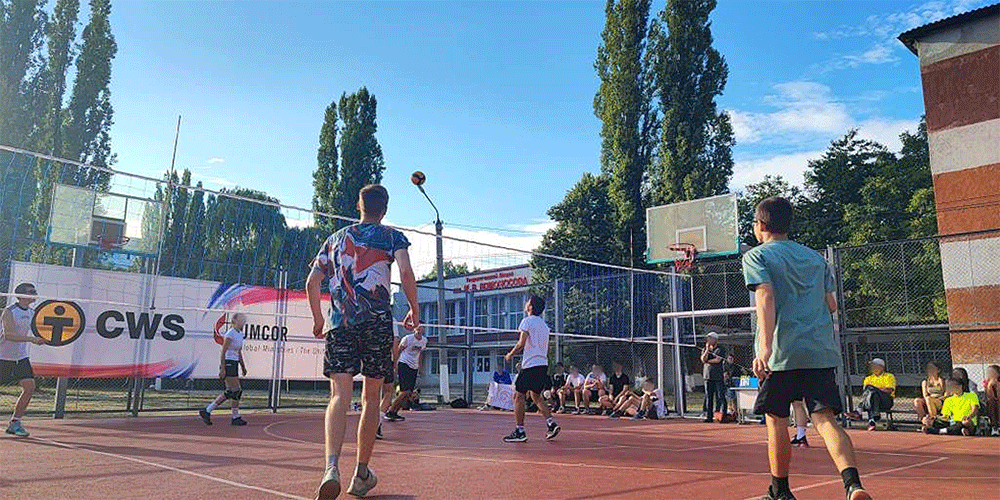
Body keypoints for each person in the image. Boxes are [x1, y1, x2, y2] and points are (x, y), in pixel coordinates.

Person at [744, 197, 871, 500]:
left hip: (782, 353)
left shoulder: (757, 256)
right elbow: (831, 305)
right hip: (818, 350)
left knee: (775, 418)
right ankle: (853, 484)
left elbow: (765, 296)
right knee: (825, 418)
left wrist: (764, 350)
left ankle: (780, 491)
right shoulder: (816, 259)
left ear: (760, 225)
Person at [307, 184, 419, 500]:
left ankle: (330, 468)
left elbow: (312, 282)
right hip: (377, 322)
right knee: (371, 397)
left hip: (340, 322)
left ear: (359, 205)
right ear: (384, 209)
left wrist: (318, 318)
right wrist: (414, 309)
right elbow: (407, 272)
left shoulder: (334, 240)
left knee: (339, 396)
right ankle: (361, 473)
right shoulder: (392, 237)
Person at [501, 296, 561, 443]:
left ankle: (520, 431)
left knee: (518, 396)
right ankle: (551, 423)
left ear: (531, 307)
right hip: (542, 364)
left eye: (527, 301)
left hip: (531, 365)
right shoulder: (544, 326)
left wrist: (510, 354)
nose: (525, 303)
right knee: (536, 396)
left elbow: (521, 343)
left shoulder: (527, 321)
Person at [2, 283, 45, 437]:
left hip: (21, 357)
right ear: (21, 295)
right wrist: (32, 339)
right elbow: (9, 335)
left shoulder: (33, 313)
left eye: (35, 290)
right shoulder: (9, 312)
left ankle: (15, 423)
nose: (34, 293)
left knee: (29, 387)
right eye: (31, 292)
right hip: (3, 357)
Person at [199, 312, 249, 426]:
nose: (243, 322)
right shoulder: (230, 333)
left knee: (231, 391)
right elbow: (223, 351)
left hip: (235, 363)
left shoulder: (240, 334)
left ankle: (207, 410)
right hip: (228, 363)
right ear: (235, 321)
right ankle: (235, 417)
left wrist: (243, 366)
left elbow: (239, 351)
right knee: (236, 390)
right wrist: (223, 368)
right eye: (241, 320)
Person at [385, 327, 426, 422]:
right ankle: (390, 411)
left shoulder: (424, 341)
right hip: (404, 364)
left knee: (409, 393)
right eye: (417, 328)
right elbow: (398, 350)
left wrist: (420, 367)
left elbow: (420, 355)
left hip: (414, 367)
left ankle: (394, 412)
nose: (419, 330)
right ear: (414, 329)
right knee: (405, 391)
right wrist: (395, 365)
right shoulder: (407, 338)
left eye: (421, 328)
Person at [846, 359, 895, 431]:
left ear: (882, 367)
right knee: (872, 395)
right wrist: (876, 389)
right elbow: (866, 393)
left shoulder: (889, 376)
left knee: (872, 392)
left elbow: (889, 390)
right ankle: (872, 421)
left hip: (886, 401)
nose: (873, 368)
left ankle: (859, 410)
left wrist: (875, 389)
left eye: (875, 366)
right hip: (871, 400)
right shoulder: (868, 378)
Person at [376, 329, 401, 440]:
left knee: (371, 393)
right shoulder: (391, 319)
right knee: (388, 391)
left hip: (369, 357)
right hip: (384, 359)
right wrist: (395, 363)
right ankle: (377, 423)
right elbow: (395, 343)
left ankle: (370, 423)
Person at [701, 332, 727, 422]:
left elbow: (717, 360)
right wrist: (707, 350)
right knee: (709, 396)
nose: (709, 340)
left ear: (715, 339)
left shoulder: (720, 349)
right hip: (707, 376)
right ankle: (709, 416)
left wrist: (708, 361)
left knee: (720, 396)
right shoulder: (705, 349)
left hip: (717, 376)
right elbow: (703, 359)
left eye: (711, 338)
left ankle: (723, 415)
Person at [984, 364, 999, 436]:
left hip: (998, 401)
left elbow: (997, 396)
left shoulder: (998, 383)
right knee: (992, 406)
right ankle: (994, 426)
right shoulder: (988, 383)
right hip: (992, 402)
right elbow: (990, 396)